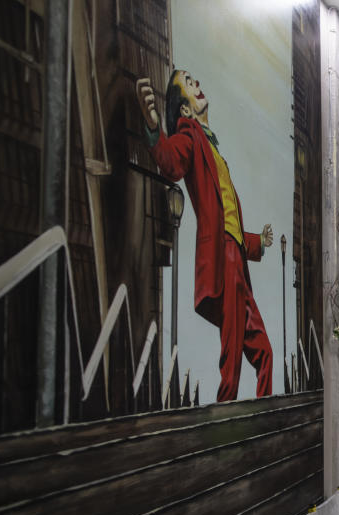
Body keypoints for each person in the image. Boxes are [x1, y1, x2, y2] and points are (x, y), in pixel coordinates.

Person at [136, 71, 273, 401]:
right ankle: (226, 411)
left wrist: (258, 243)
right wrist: (154, 129)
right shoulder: (190, 136)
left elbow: (228, 217)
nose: (198, 83)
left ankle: (266, 409)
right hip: (223, 260)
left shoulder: (214, 149)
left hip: (236, 258)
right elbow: (170, 163)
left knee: (264, 351)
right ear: (185, 110)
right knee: (232, 350)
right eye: (190, 82)